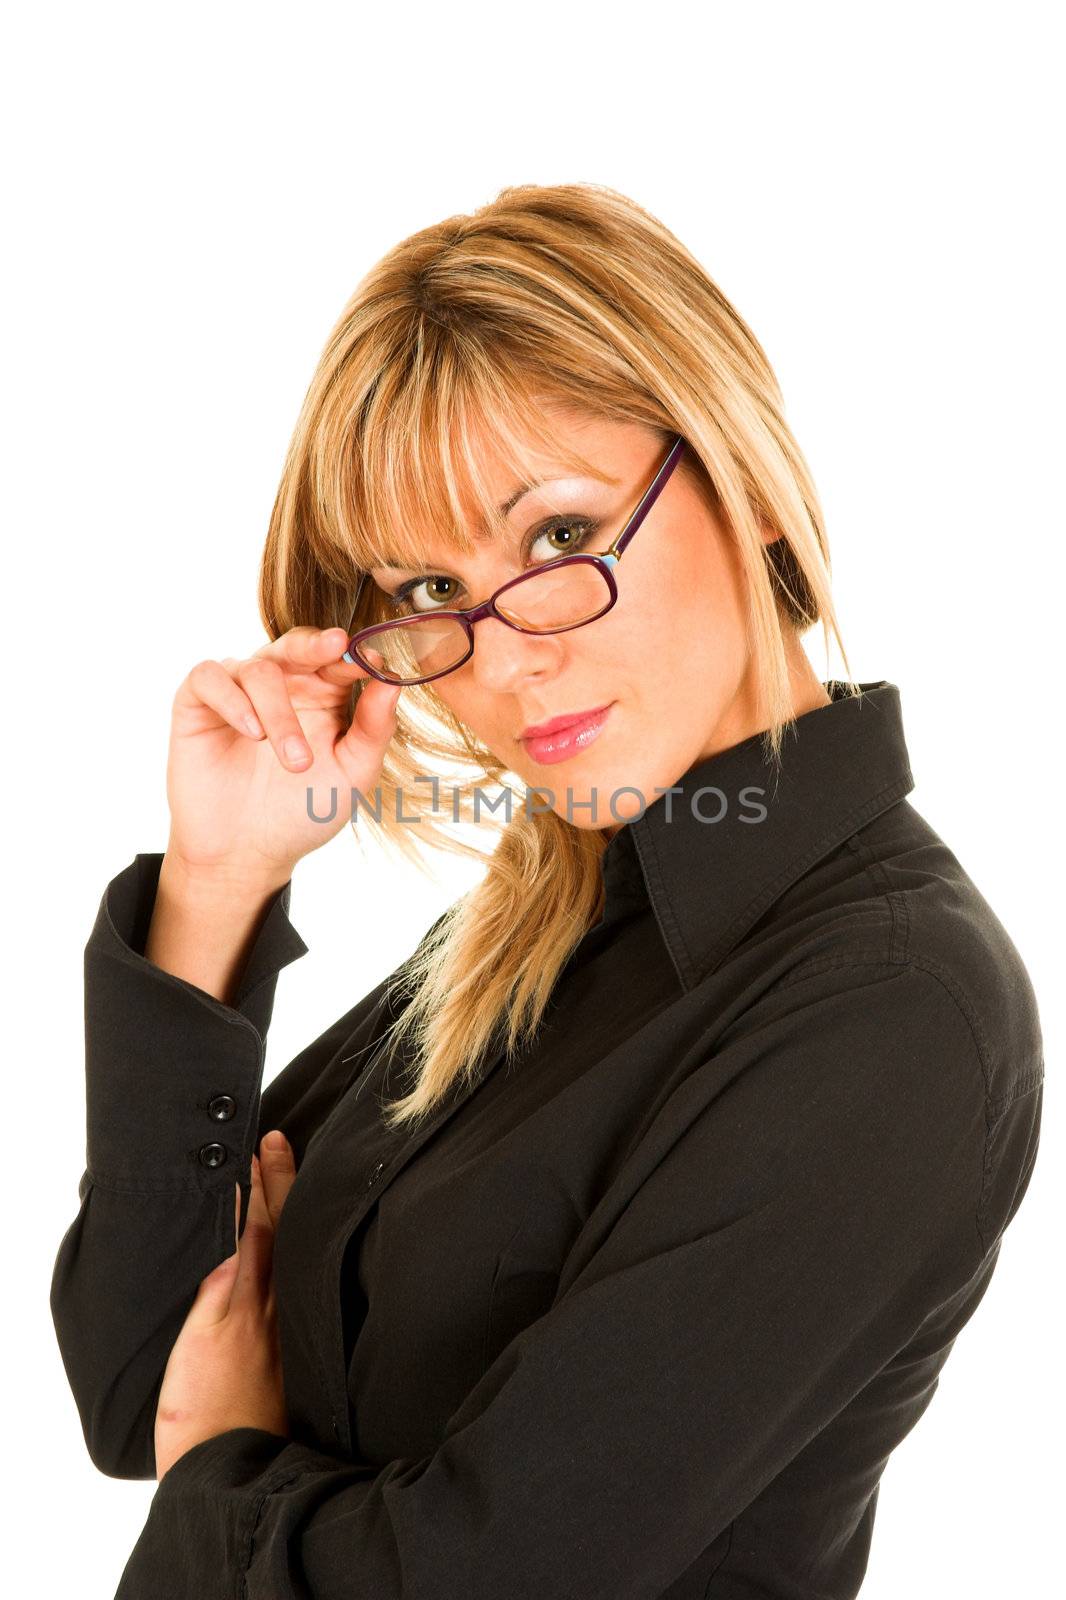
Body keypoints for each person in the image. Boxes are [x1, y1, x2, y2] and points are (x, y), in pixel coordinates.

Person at [50, 182, 1044, 1600]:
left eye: (561, 539)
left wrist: (224, 1478)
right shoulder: (535, 919)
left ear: (744, 480)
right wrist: (218, 885)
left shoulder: (892, 1008)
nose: (501, 660)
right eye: (427, 590)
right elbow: (141, 1378)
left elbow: (484, 1572)